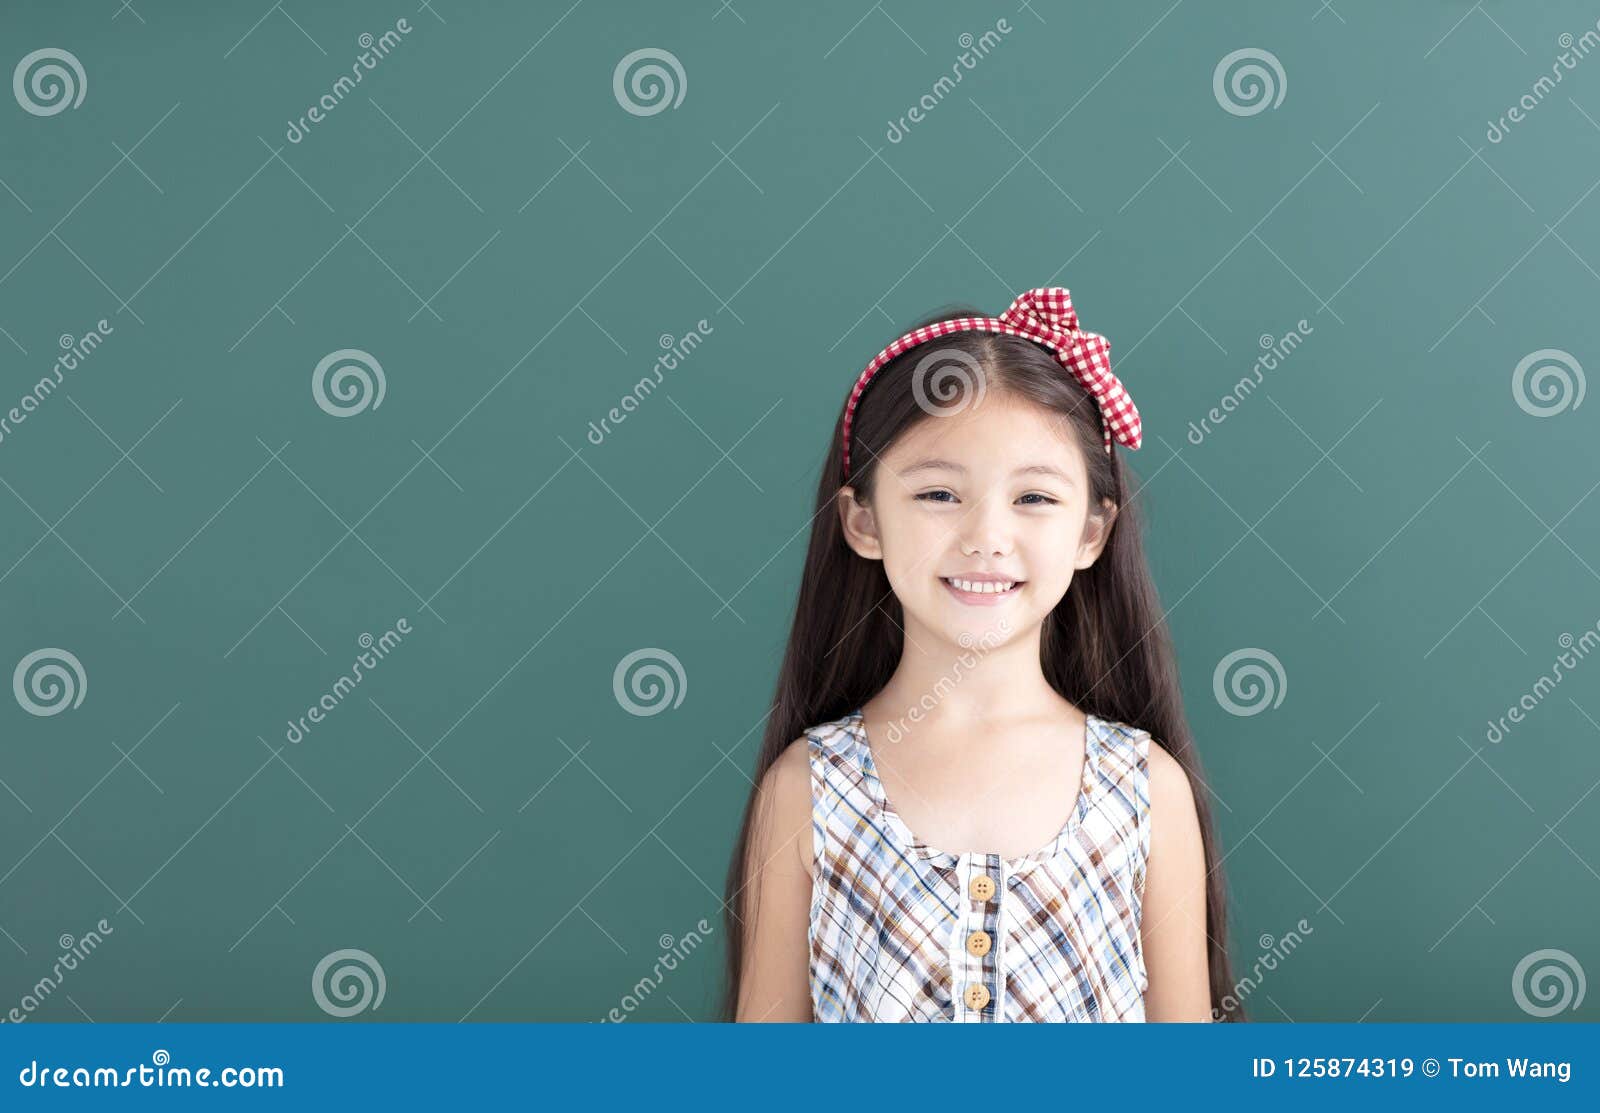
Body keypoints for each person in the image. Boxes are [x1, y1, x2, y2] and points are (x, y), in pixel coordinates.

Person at [720, 287, 1237, 1022]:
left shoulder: (1146, 789)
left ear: (1093, 533)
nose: (987, 536)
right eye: (937, 492)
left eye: (1034, 498)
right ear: (863, 520)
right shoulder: (808, 789)